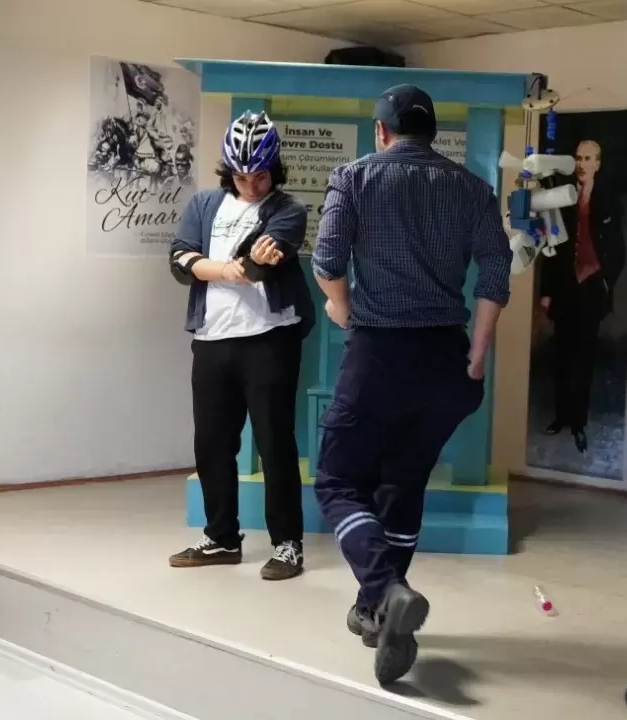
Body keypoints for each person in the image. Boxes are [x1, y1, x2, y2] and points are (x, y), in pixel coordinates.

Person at [311, 84, 512, 685]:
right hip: (445, 360)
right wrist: (478, 350)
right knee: (404, 482)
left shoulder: (354, 178)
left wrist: (341, 307)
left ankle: (383, 587)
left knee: (337, 481)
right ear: (431, 133)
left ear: (381, 131)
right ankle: (380, 613)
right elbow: (496, 269)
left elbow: (328, 260)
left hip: (379, 353)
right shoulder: (472, 188)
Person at [167, 111, 314, 581]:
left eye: (261, 176)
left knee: (274, 443)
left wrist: (211, 264)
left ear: (275, 169)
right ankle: (222, 538)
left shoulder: (289, 210)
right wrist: (230, 266)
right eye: (242, 176)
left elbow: (259, 265)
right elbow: (177, 260)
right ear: (228, 170)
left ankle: (288, 543)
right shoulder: (204, 203)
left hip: (268, 339)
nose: (251, 185)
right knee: (211, 443)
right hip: (212, 339)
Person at [537, 139, 626, 452]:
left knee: (584, 360)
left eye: (588, 159)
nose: (582, 164)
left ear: (598, 164)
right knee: (561, 356)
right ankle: (561, 416)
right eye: (578, 158)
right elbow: (551, 249)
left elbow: (618, 252)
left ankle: (579, 423)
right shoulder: (562, 197)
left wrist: (605, 283)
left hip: (591, 289)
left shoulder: (609, 201)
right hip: (564, 290)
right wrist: (546, 293)